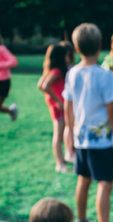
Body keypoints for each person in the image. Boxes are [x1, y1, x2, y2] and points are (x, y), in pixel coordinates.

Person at [64, 23, 113, 222]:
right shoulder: (104, 75)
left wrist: (70, 133)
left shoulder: (72, 72)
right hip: (101, 141)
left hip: (80, 137)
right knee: (104, 183)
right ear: (101, 45)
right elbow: (112, 111)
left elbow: (68, 106)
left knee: (83, 179)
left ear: (76, 47)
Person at [37, 43, 71, 172]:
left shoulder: (53, 70)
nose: (68, 58)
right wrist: (56, 100)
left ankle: (63, 159)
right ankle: (59, 164)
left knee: (62, 132)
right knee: (58, 134)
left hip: (58, 105)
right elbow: (44, 86)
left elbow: (41, 84)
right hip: (58, 107)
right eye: (67, 56)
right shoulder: (56, 71)